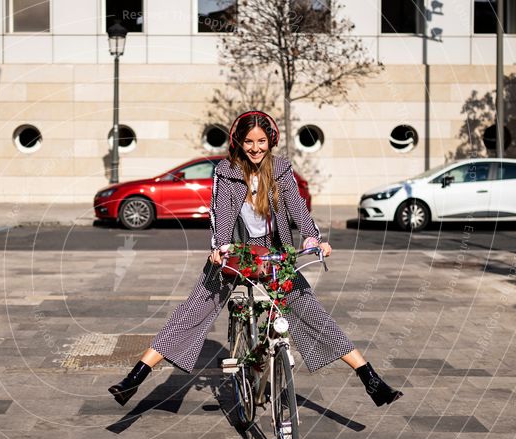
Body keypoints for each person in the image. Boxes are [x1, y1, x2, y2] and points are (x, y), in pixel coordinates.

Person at [109, 110, 403, 408]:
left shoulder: (281, 169)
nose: (255, 148)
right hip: (234, 249)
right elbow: (221, 214)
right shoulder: (227, 171)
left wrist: (313, 238)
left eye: (261, 141)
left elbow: (298, 209)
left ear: (270, 141)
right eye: (249, 141)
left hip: (274, 250)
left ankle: (370, 379)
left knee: (309, 308)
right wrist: (220, 246)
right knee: (195, 309)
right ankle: (135, 378)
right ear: (239, 141)